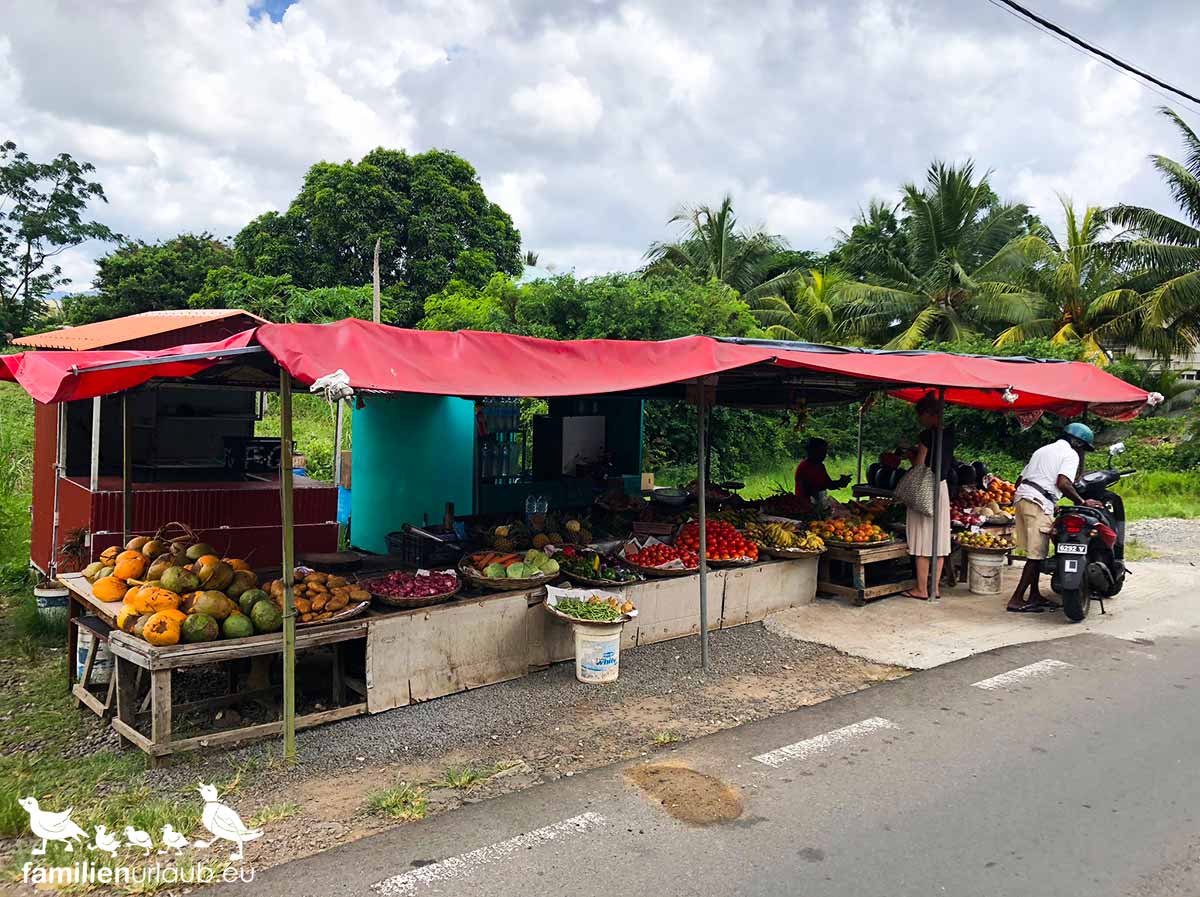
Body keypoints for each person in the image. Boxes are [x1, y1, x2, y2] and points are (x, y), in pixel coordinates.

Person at [1007, 422, 1104, 613]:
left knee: (1034, 554)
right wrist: (1082, 501)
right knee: (1036, 556)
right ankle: (1016, 599)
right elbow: (1063, 482)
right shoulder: (1070, 454)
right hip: (1037, 502)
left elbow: (1019, 480)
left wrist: (1051, 500)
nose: (1083, 452)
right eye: (1083, 448)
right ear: (1077, 443)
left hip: (1023, 499)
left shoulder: (1043, 450)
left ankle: (1034, 595)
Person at [904, 393, 955, 599]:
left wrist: (910, 454)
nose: (920, 420)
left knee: (922, 538)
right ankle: (935, 588)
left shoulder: (927, 435)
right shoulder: (950, 434)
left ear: (927, 414)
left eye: (920, 416)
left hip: (925, 488)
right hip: (941, 489)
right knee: (939, 539)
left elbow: (920, 464)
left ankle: (921, 589)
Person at [794, 437, 851, 512]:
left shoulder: (820, 466)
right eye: (821, 451)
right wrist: (834, 484)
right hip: (805, 507)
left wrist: (840, 482)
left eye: (825, 451)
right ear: (812, 451)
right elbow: (809, 489)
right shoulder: (804, 467)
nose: (824, 454)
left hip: (818, 505)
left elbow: (828, 484)